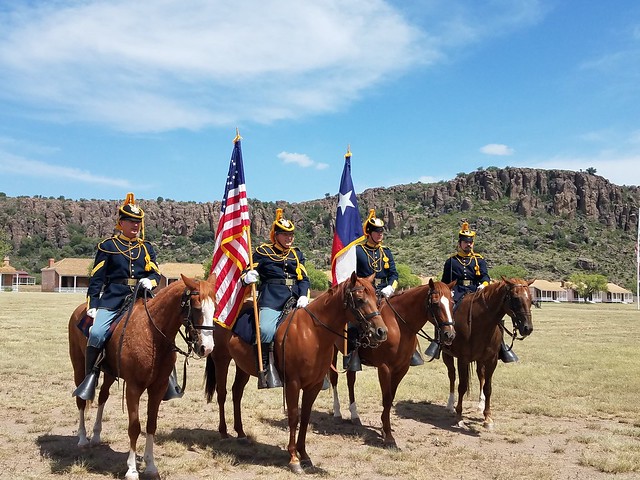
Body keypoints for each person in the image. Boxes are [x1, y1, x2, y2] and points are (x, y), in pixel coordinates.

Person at [73, 193, 165, 401]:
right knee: (96, 333)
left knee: (163, 331)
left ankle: (168, 381)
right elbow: (97, 278)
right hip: (113, 299)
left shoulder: (146, 248)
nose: (136, 226)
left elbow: (155, 272)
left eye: (138, 222)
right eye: (131, 222)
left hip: (141, 298)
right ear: (121, 223)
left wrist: (150, 281)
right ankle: (91, 377)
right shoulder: (107, 246)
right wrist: (93, 304)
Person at [345, 209, 424, 369]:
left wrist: (390, 287)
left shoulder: (386, 252)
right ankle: (352, 355)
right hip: (366, 293)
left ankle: (411, 350)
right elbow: (351, 275)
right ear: (369, 232)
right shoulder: (358, 251)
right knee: (353, 323)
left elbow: (394, 274)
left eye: (381, 231)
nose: (380, 234)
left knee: (405, 318)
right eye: (377, 231)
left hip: (385, 293)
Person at [242, 208, 310, 389]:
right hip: (272, 298)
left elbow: (303, 278)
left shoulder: (297, 254)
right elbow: (246, 271)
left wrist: (303, 294)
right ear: (276, 235)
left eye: (292, 235)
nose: (290, 238)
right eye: (285, 235)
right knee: (265, 329)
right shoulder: (263, 252)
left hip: (295, 298)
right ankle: (265, 369)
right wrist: (248, 276)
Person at [441, 221, 518, 363]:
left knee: (494, 312)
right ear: (460, 243)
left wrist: (484, 285)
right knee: (446, 312)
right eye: (465, 242)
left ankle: (501, 346)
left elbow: (485, 276)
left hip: (475, 292)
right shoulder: (451, 261)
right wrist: (448, 292)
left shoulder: (479, 260)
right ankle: (439, 342)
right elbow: (445, 281)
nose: (468, 245)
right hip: (457, 292)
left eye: (470, 242)